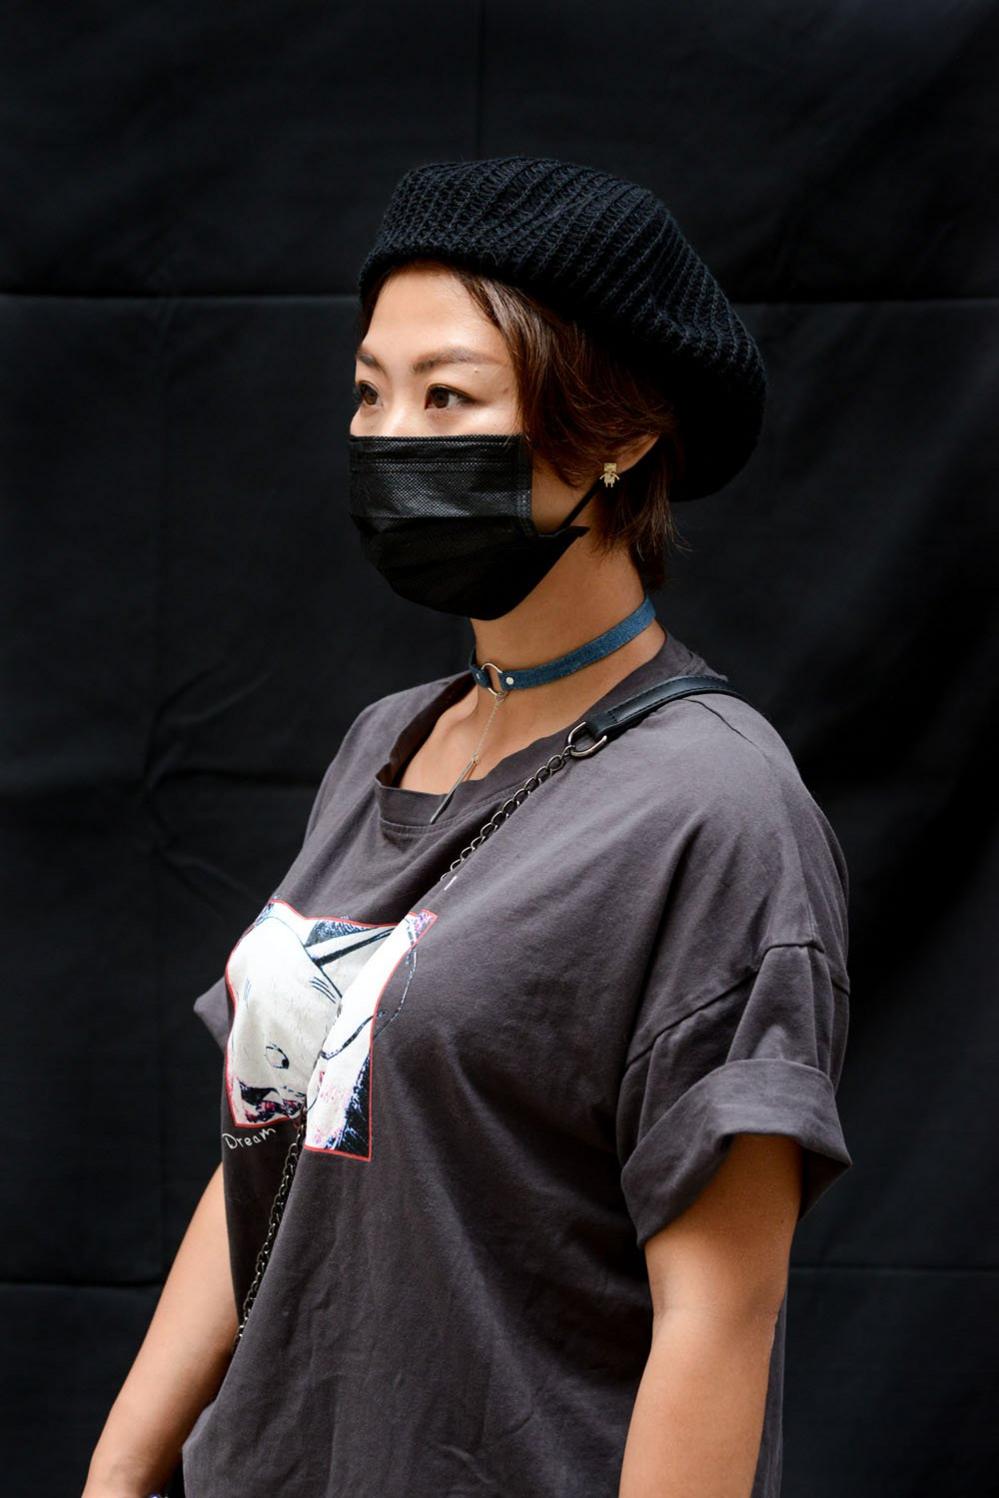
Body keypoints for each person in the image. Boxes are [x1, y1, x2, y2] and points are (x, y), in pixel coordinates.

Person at [84, 155, 853, 1498]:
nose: (392, 439)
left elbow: (716, 1320)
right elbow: (267, 1143)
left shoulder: (715, 808)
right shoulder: (383, 745)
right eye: (371, 392)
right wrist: (118, 1471)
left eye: (449, 396)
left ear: (617, 430)